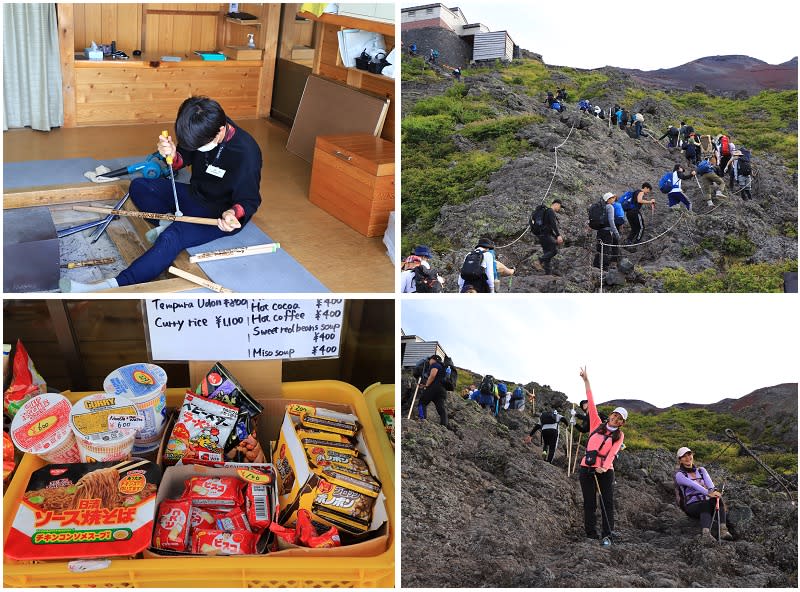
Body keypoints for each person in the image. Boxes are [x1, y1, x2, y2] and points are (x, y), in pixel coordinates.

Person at [60, 96, 261, 292]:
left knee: (171, 238)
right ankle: (169, 224)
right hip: (195, 195)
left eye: (198, 146)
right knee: (140, 186)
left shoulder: (247, 152)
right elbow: (182, 161)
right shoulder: (199, 127)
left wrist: (232, 214)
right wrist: (172, 155)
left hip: (219, 215)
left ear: (220, 131)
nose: (196, 148)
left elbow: (249, 200)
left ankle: (110, 286)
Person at [577, 367, 627, 546]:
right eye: (615, 414)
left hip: (605, 471)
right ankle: (590, 534)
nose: (615, 418)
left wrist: (604, 467)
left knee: (606, 502)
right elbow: (590, 402)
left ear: (622, 422)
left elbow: (612, 453)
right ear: (611, 415)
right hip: (586, 467)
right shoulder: (597, 423)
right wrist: (586, 381)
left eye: (619, 418)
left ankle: (608, 534)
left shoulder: (619, 435)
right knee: (589, 503)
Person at [675, 447, 734, 541]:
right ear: (680, 460)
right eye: (684, 456)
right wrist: (708, 493)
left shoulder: (701, 470)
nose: (687, 458)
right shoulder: (680, 475)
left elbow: (710, 485)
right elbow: (693, 485)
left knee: (717, 499)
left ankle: (723, 530)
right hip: (691, 506)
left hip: (704, 503)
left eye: (689, 455)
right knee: (705, 504)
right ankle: (706, 534)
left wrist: (714, 492)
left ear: (692, 455)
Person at [531, 199, 564, 275]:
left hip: (541, 235)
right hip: (546, 235)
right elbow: (553, 224)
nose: (559, 209)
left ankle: (548, 274)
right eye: (559, 206)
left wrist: (555, 236)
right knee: (554, 251)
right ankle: (539, 261)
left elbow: (548, 226)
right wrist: (558, 235)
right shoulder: (550, 211)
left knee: (547, 254)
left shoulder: (545, 212)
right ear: (556, 204)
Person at [591, 192, 621, 271]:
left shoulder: (601, 207)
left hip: (599, 230)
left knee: (599, 248)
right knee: (606, 249)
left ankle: (596, 265)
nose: (613, 199)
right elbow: (611, 221)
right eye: (611, 198)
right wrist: (616, 233)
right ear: (608, 199)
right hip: (607, 232)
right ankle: (604, 267)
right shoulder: (610, 207)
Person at [417, 354, 448, 427]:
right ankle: (444, 424)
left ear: (434, 359)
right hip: (442, 390)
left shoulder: (435, 364)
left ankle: (422, 419)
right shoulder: (443, 368)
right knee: (441, 407)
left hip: (434, 388)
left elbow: (433, 375)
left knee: (422, 402)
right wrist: (425, 385)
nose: (429, 361)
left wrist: (427, 385)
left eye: (430, 359)